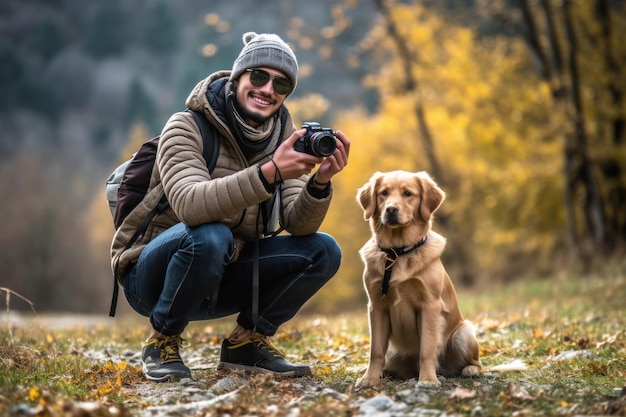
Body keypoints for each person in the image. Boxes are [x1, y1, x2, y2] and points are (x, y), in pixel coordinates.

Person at [110, 32, 351, 382]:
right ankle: (161, 341)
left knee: (324, 250)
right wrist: (270, 173)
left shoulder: (286, 140)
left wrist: (320, 181)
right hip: (152, 277)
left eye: (281, 84)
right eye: (258, 77)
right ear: (237, 77)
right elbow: (191, 206)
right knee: (210, 234)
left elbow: (299, 227)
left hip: (225, 272)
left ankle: (246, 344)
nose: (268, 89)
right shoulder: (186, 126)